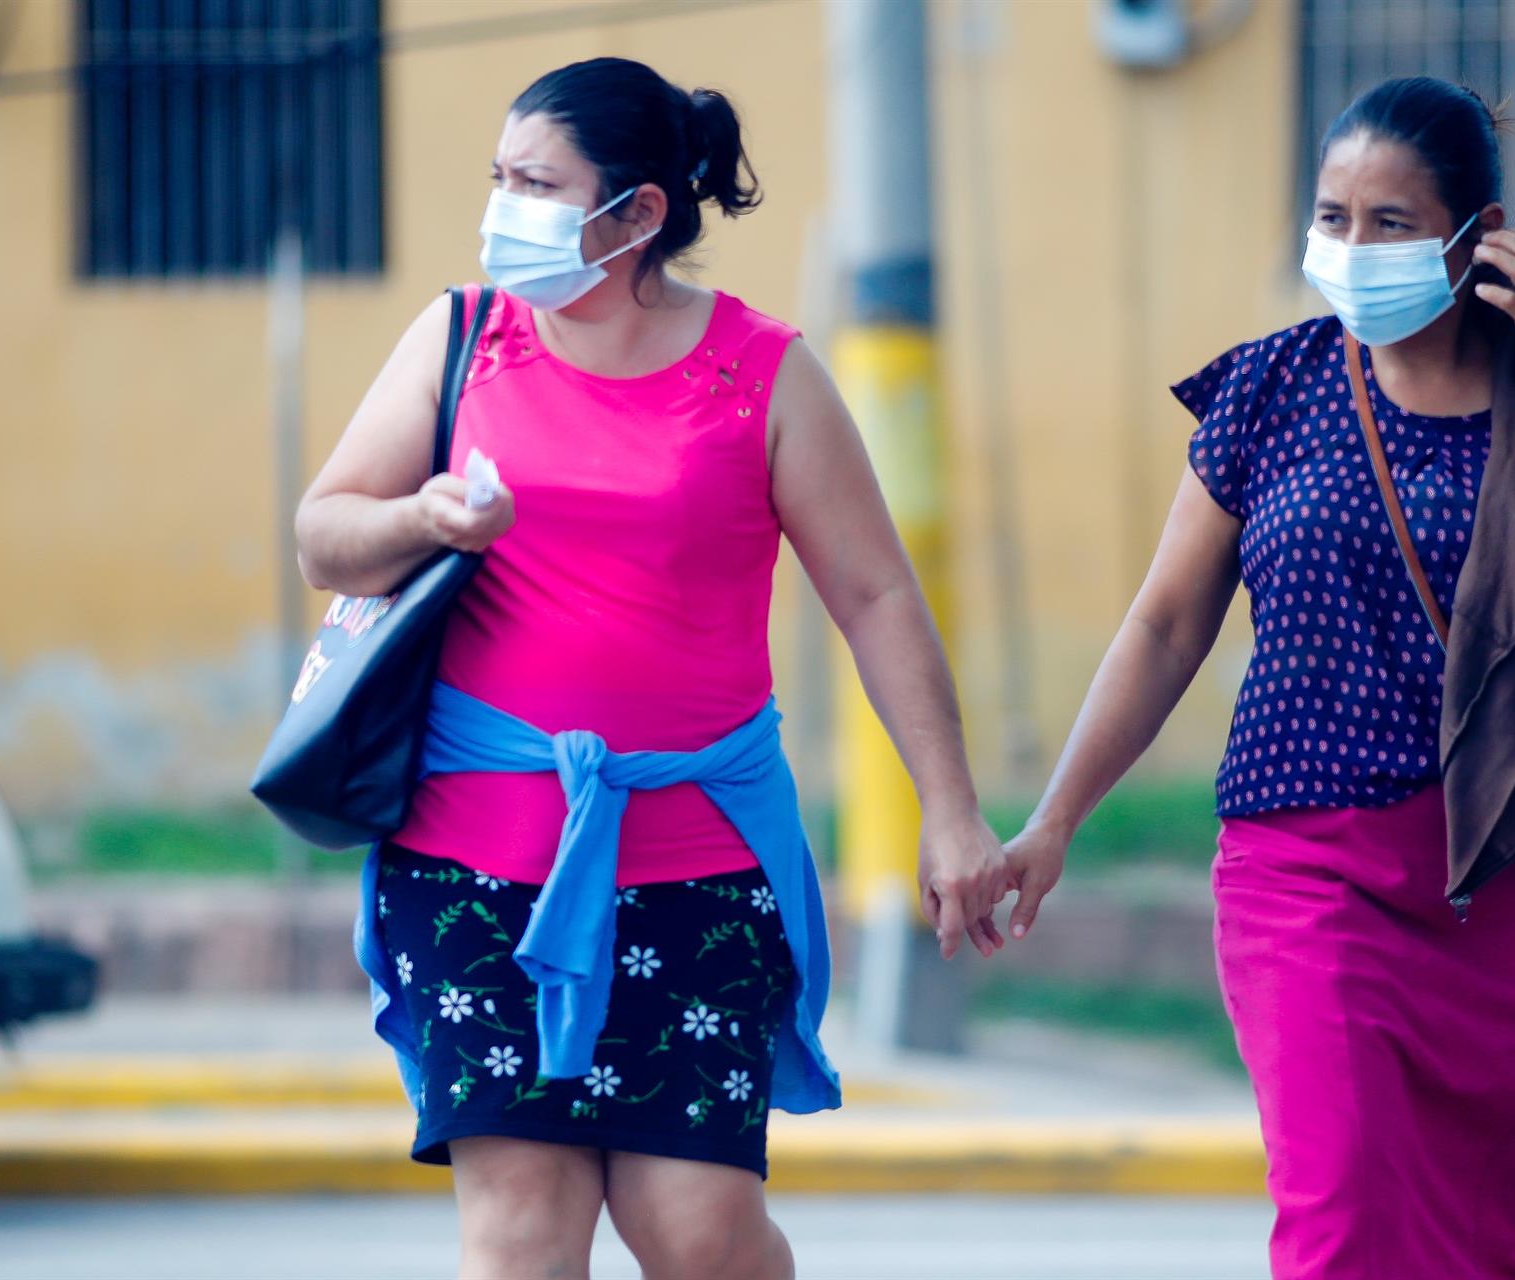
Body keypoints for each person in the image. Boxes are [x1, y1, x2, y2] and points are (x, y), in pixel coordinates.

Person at [1001, 76, 1515, 1279]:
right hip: (1311, 878)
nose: (1351, 249)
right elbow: (1162, 625)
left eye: (1391, 222)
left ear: (1476, 236)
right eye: (1332, 216)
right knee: (1340, 1228)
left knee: (1506, 1249)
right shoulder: (1269, 386)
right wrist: (1053, 820)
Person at [294, 57, 1008, 1280]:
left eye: (536, 182)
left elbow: (879, 596)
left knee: (698, 1231)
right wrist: (427, 518)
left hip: (702, 863)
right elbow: (325, 532)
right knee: (521, 1232)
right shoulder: (463, 336)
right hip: (471, 858)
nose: (502, 207)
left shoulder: (762, 373)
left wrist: (952, 807)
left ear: (635, 214)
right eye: (499, 177)